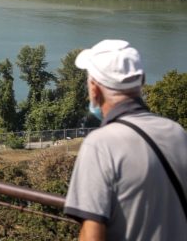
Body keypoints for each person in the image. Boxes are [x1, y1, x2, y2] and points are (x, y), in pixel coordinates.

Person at [64, 39, 187, 240]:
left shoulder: (101, 144)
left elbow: (92, 234)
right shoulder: (177, 133)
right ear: (142, 80)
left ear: (94, 89)